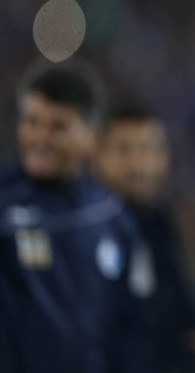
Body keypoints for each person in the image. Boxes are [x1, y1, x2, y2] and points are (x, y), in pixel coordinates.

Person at [0, 59, 151, 373]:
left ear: (90, 139)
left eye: (58, 127)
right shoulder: (5, 206)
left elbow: (134, 326)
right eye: (32, 122)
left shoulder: (113, 218)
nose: (40, 138)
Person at [94, 103, 195, 373]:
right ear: (97, 155)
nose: (137, 166)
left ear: (164, 157)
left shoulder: (160, 226)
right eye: (124, 150)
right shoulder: (82, 229)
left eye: (147, 150)